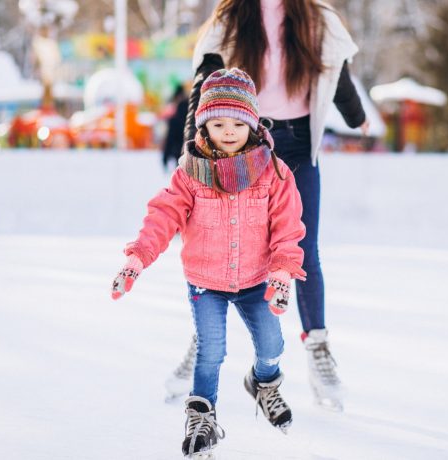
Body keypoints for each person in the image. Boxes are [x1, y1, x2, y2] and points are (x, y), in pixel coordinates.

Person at [164, 0, 369, 411]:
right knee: (225, 248)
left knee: (302, 251)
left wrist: (355, 115)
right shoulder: (230, 19)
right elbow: (204, 84)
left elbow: (336, 71)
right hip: (240, 145)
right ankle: (201, 343)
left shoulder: (317, 17)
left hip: (296, 143)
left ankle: (318, 350)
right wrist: (193, 149)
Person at [111, 68, 307, 457]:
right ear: (203, 125)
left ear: (251, 123)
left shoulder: (274, 173)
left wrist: (282, 270)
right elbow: (163, 217)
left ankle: (264, 382)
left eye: (237, 122)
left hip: (257, 280)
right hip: (206, 282)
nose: (229, 131)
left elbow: (287, 227)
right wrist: (138, 257)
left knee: (272, 344)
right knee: (211, 350)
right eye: (218, 123)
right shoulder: (189, 174)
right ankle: (202, 415)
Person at [161, 83, 189, 171]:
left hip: (179, 154)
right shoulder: (194, 121)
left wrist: (165, 158)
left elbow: (170, 139)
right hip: (191, 155)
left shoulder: (174, 120)